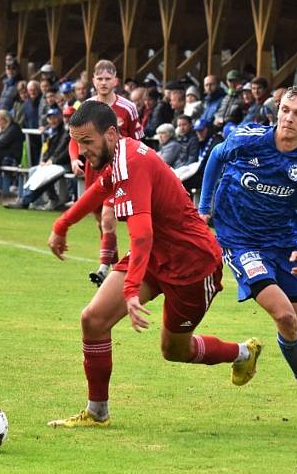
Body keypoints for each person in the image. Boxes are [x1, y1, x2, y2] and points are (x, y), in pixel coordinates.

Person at [45, 100, 261, 428]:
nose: (83, 150)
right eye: (78, 143)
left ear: (112, 134)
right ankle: (97, 411)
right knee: (93, 319)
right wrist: (62, 225)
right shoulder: (118, 156)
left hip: (192, 265)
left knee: (174, 350)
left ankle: (243, 353)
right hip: (154, 257)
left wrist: (131, 289)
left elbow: (142, 235)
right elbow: (99, 190)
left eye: (88, 142)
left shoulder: (131, 162)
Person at [197, 86, 297, 426]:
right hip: (241, 241)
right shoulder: (248, 139)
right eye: (285, 109)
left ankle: (251, 353)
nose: (289, 118)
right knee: (285, 318)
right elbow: (216, 155)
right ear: (277, 108)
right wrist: (205, 209)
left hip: (285, 245)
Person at [68, 59, 144, 287]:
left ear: (116, 81)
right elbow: (73, 139)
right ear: (93, 81)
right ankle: (114, 270)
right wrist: (75, 159)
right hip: (94, 171)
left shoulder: (128, 108)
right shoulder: (86, 107)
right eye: (99, 79)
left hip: (118, 170)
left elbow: (138, 140)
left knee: (108, 218)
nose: (103, 83)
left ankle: (103, 269)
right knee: (102, 223)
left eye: (107, 79)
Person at [5, 105, 71, 210]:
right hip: (56, 163)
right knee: (34, 170)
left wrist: (52, 160)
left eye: (69, 116)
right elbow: (51, 150)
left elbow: (67, 152)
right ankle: (37, 201)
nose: (67, 119)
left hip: (67, 163)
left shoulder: (71, 132)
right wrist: (46, 160)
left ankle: (26, 201)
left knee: (45, 175)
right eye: (66, 116)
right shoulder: (57, 131)